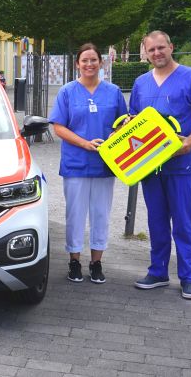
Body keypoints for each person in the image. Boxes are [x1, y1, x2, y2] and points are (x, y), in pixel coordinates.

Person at [130, 30, 191, 300]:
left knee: (183, 221)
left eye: (161, 48)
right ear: (145, 53)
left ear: (171, 46)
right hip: (151, 166)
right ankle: (157, 272)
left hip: (182, 165)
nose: (157, 53)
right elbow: (134, 118)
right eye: (151, 50)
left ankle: (189, 277)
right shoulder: (141, 83)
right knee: (156, 221)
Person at [49, 43, 127, 284]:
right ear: (77, 64)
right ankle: (74, 261)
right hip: (76, 164)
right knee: (75, 214)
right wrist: (84, 143)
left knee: (100, 214)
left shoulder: (113, 92)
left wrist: (115, 138)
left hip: (105, 165)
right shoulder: (67, 92)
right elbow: (59, 126)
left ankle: (96, 262)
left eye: (94, 60)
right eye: (85, 60)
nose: (89, 64)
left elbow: (123, 123)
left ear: (100, 63)